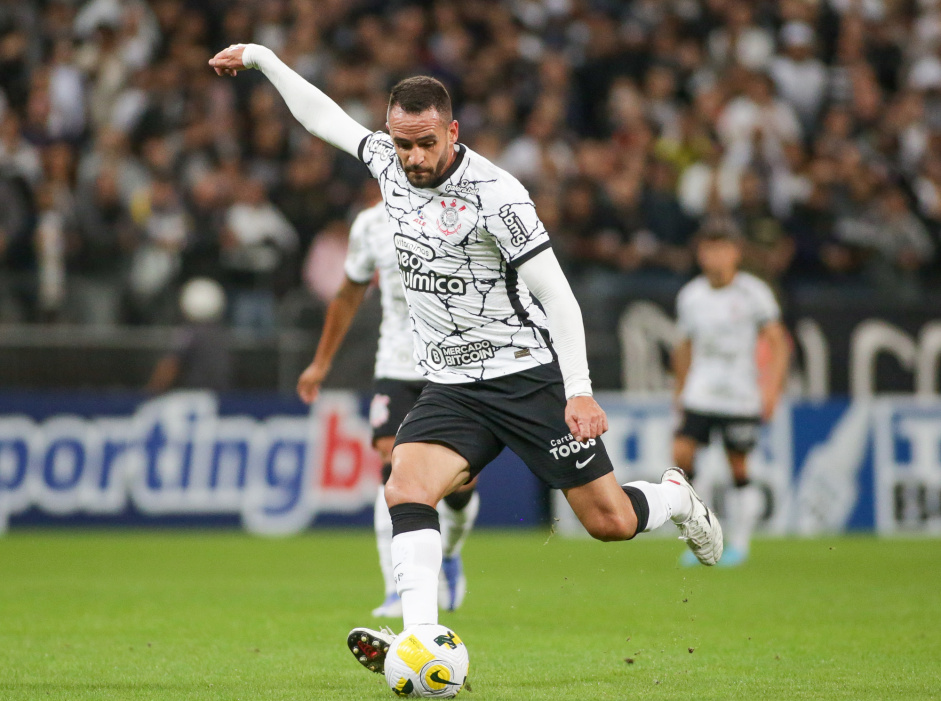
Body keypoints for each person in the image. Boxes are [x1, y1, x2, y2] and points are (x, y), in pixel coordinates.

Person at [209, 43, 723, 676]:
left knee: (610, 522)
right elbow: (324, 118)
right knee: (405, 485)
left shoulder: (498, 195)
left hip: (526, 375)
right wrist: (262, 57)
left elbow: (558, 297)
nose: (413, 158)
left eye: (426, 143)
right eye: (402, 143)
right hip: (451, 386)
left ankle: (676, 501)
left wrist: (580, 390)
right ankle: (419, 636)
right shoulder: (388, 165)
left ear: (452, 131)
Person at [296, 197, 479, 618]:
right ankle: (398, 587)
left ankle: (448, 554)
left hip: (457, 366)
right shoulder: (371, 224)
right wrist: (321, 363)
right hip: (396, 365)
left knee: (460, 483)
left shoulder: (464, 211)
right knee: (390, 459)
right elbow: (347, 295)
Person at [671, 217, 790, 567]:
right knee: (682, 455)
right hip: (701, 391)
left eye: (722, 248)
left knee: (738, 467)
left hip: (740, 394)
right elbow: (683, 348)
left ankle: (739, 543)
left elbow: (777, 342)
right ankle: (703, 537)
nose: (715, 256)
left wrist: (771, 388)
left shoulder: (754, 293)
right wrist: (679, 391)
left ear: (736, 253)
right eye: (708, 249)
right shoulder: (691, 296)